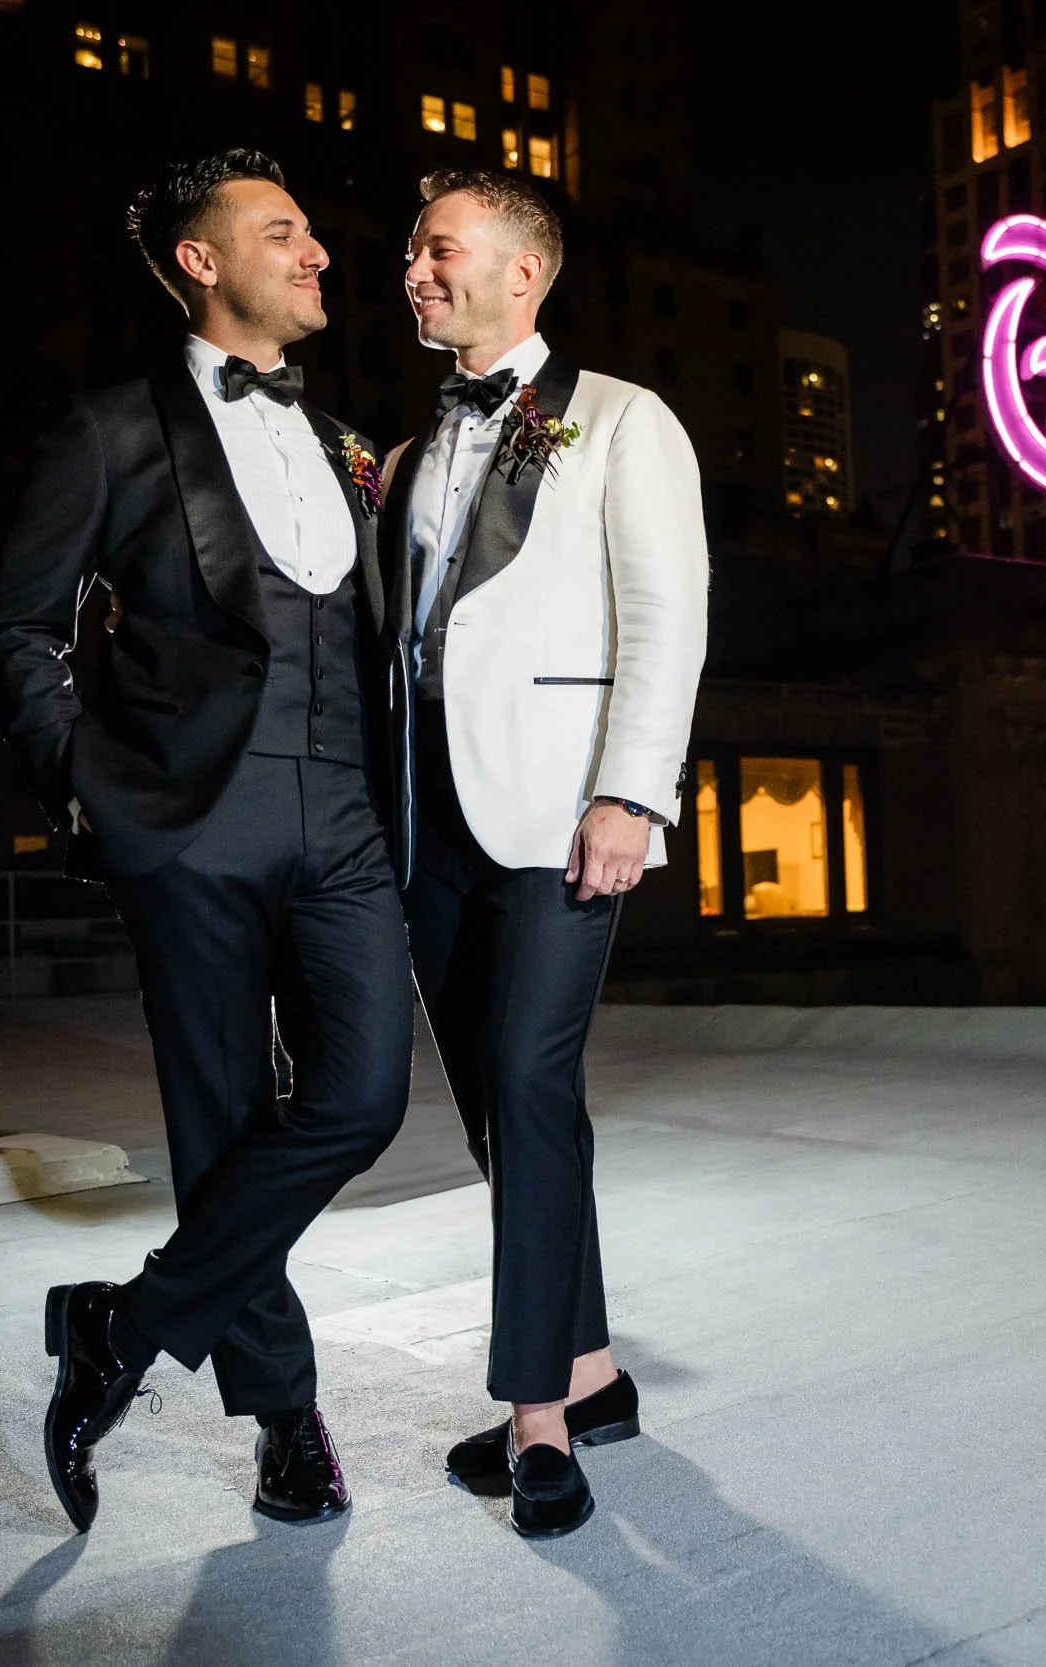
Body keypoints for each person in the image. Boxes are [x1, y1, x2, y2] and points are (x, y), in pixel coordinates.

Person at [0, 149, 412, 1533]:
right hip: (191, 820)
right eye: (284, 233)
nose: (320, 254)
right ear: (203, 262)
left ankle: (124, 1322)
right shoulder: (110, 429)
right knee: (222, 1121)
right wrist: (92, 789)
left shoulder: (342, 440)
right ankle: (286, 1417)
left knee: (362, 1098)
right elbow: (20, 629)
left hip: (342, 811)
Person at [387, 169, 707, 1538]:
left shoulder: (623, 420)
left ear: (524, 273)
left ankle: (536, 1416)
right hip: (432, 822)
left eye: (437, 249)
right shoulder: (415, 452)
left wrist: (633, 793)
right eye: (409, 250)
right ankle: (594, 1368)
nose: (411, 270)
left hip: (565, 812)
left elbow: (667, 612)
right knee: (502, 1102)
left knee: (528, 1076)